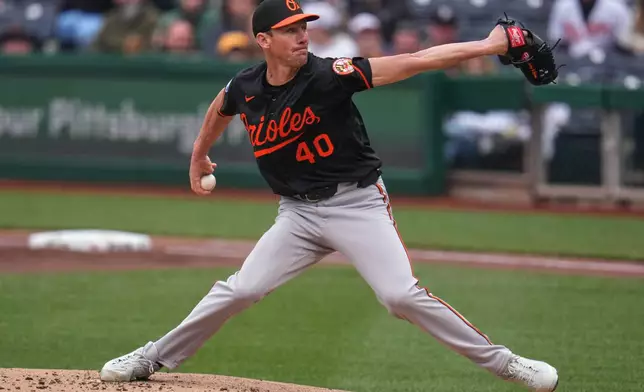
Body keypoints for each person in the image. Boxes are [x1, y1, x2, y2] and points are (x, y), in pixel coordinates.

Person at [98, 1, 559, 391]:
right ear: (263, 40)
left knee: (399, 296)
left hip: (356, 204)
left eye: (304, 28)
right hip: (297, 214)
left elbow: (415, 61)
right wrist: (200, 154)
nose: (302, 36)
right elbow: (221, 106)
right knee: (243, 288)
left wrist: (491, 44)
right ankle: (152, 358)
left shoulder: (330, 75)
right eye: (290, 31)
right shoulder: (247, 86)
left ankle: (506, 363)